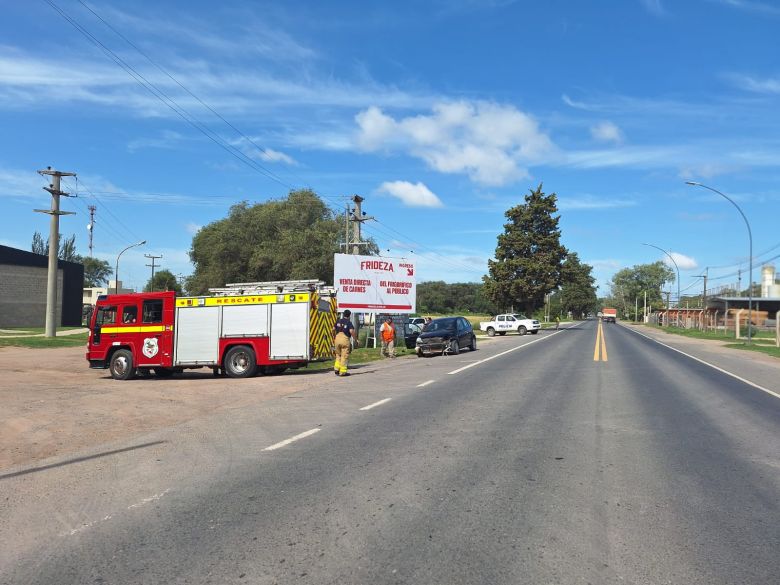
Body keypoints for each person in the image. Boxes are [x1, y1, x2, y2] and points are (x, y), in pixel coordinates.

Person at [333, 309, 355, 377]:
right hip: (345, 340)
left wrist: (334, 337)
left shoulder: (338, 321)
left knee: (338, 355)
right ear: (349, 315)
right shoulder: (349, 322)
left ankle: (336, 369)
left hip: (337, 339)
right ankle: (342, 372)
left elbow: (333, 329)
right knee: (344, 356)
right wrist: (355, 339)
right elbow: (351, 331)